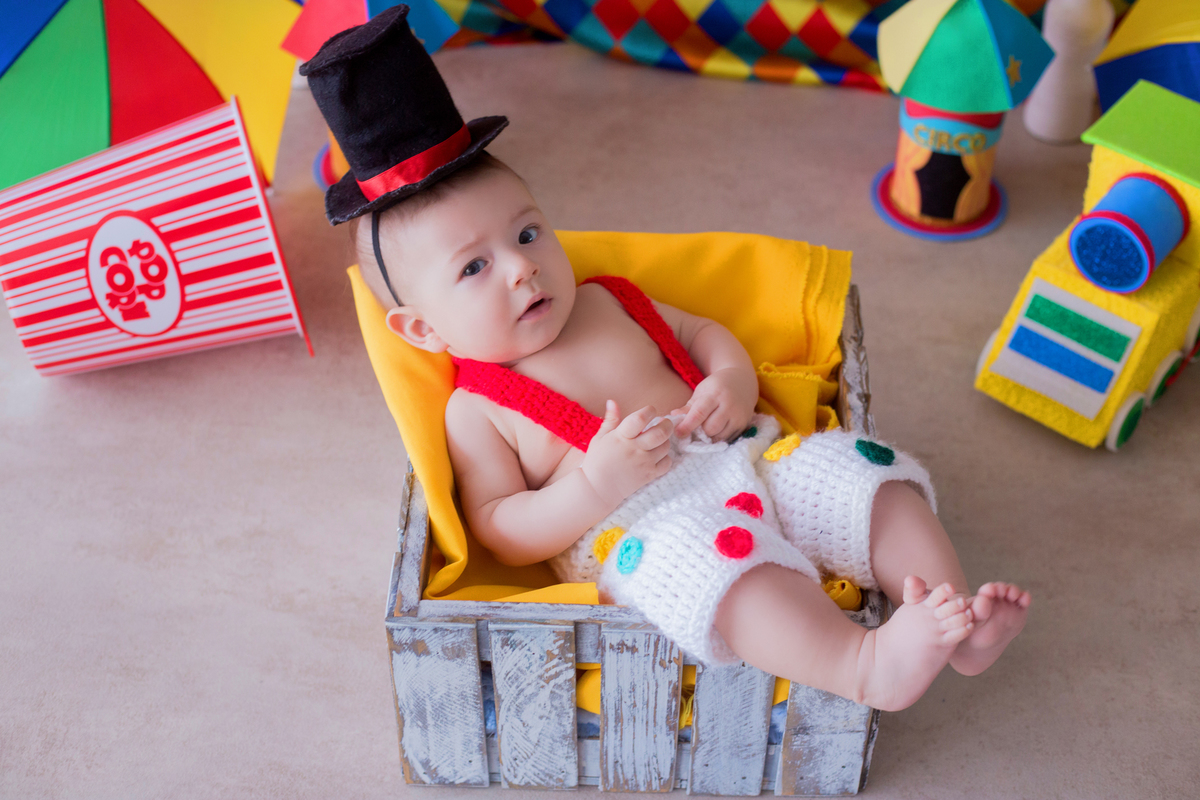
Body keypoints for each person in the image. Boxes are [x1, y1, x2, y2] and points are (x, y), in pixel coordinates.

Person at [302, 4, 1030, 713]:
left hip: (750, 458)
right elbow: (499, 526)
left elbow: (703, 331)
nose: (521, 270)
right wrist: (592, 483)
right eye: (473, 269)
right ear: (423, 330)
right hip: (644, 531)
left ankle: (952, 614)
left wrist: (732, 379)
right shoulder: (478, 407)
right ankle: (864, 664)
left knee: (860, 475)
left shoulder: (607, 300)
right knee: (725, 571)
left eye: (527, 235)